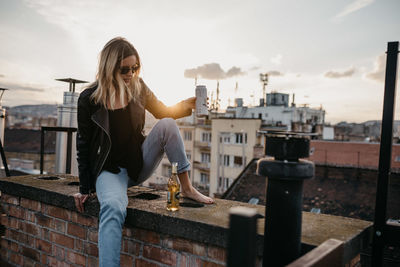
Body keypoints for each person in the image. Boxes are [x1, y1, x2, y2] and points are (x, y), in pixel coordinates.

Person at [73, 37, 213, 267]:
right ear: (109, 67)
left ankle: (186, 188)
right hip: (110, 173)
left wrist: (186, 105)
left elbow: (162, 111)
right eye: (125, 69)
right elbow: (83, 144)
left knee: (167, 123)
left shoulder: (138, 87)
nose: (131, 73)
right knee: (113, 208)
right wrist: (84, 188)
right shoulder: (89, 99)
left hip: (138, 162)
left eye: (135, 68)